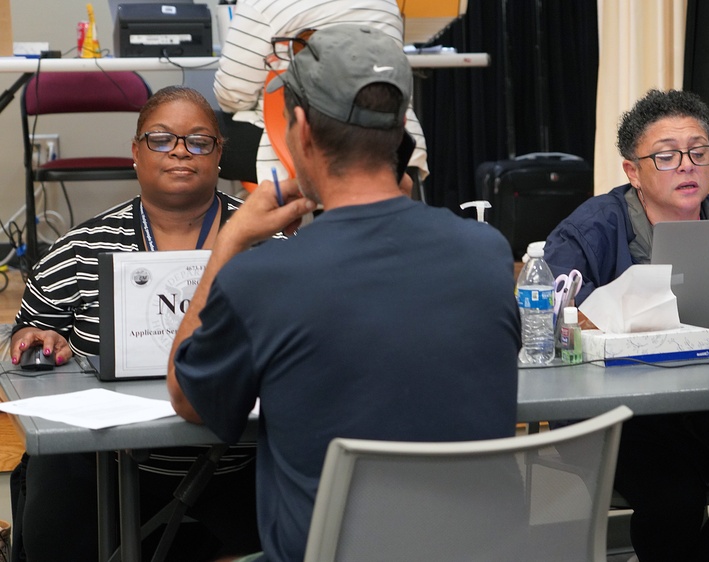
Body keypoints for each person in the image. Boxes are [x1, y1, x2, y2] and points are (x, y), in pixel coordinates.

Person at [168, 25, 520, 562]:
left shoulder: (263, 278)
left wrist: (230, 242)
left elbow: (187, 400)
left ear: (300, 128)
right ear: (401, 128)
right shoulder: (488, 253)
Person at [8, 86, 260, 561]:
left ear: (220, 153)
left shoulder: (268, 242)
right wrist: (36, 338)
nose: (182, 150)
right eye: (161, 139)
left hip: (239, 458)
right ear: (136, 152)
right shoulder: (79, 250)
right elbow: (28, 333)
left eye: (200, 141)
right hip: (105, 461)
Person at [544, 89, 709, 561]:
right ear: (632, 171)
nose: (686, 165)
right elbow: (554, 319)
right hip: (624, 419)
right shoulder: (590, 232)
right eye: (666, 156)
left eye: (698, 152)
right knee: (675, 499)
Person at [212, 0, 429, 192]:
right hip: (397, 145)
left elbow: (232, 93)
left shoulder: (263, 4)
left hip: (307, 150)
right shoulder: (387, 2)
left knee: (197, 132)